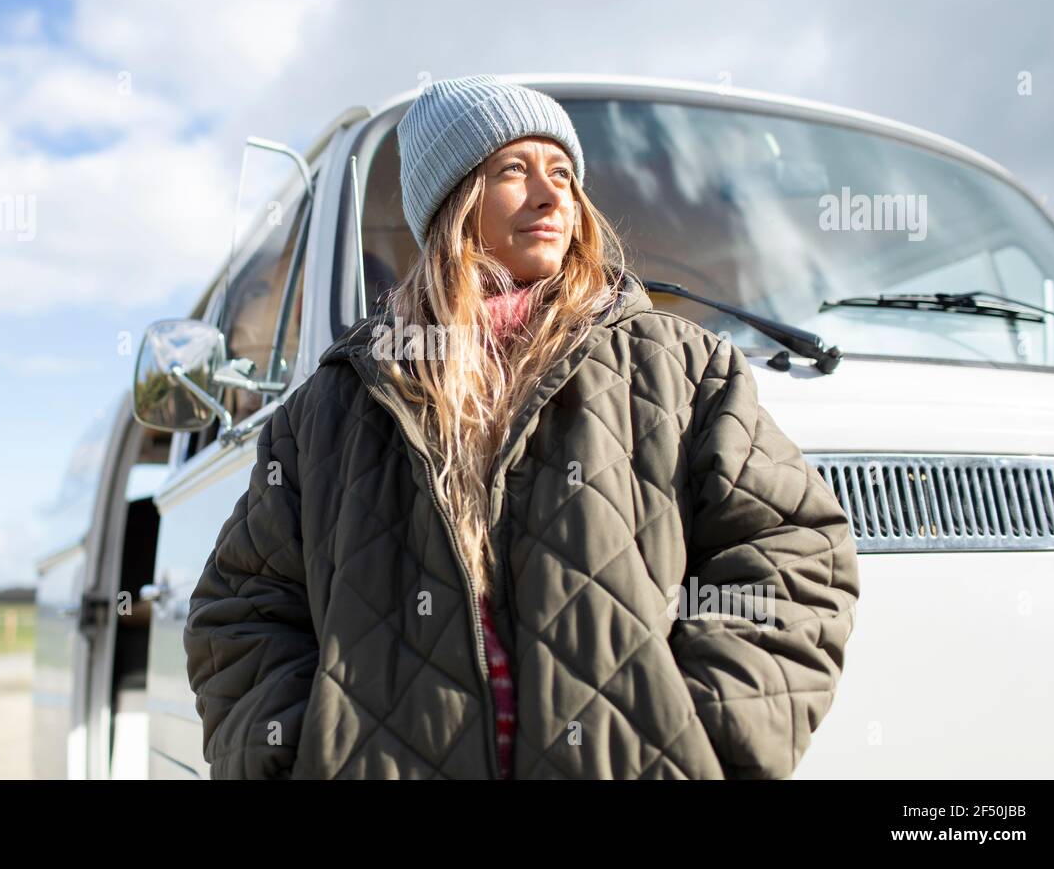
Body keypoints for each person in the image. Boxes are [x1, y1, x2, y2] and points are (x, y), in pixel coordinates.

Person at [183, 73, 860, 779]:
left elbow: (795, 553)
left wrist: (702, 743)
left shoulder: (682, 368)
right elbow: (241, 609)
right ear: (453, 199)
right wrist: (294, 760)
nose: (551, 194)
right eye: (514, 169)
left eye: (564, 173)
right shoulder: (332, 407)